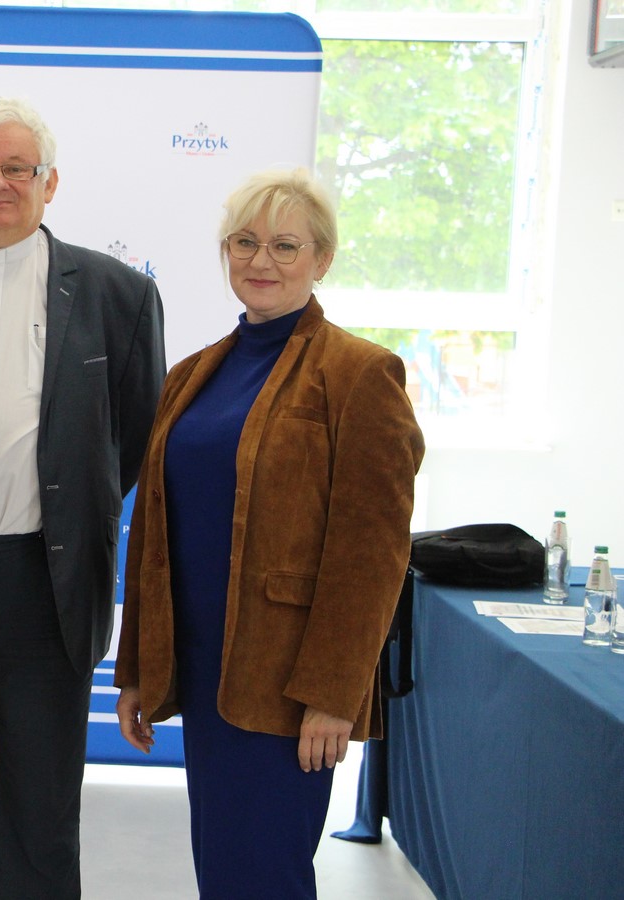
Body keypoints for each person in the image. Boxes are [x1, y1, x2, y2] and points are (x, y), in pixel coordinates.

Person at [114, 166, 426, 899]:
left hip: (287, 682)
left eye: (286, 246)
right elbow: (153, 538)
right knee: (224, 871)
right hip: (202, 670)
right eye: (245, 242)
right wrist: (136, 666)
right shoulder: (192, 374)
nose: (262, 261)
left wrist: (333, 693)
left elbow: (372, 553)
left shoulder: (358, 374)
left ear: (322, 259)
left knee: (265, 875)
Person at [0, 97, 167, 899]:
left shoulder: (118, 294)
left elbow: (135, 438)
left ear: (50, 183)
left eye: (18, 169)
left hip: (46, 583)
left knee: (43, 816)